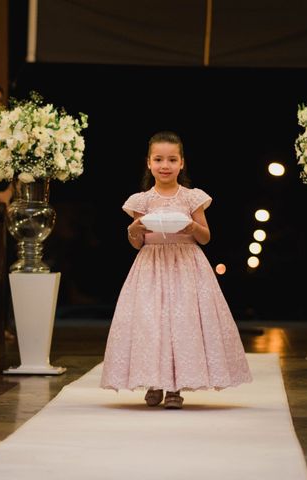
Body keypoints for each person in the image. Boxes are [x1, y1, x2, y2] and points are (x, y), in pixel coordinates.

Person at [100, 131, 252, 409]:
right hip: (151, 266)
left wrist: (192, 226)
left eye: (171, 159)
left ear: (182, 163)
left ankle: (175, 389)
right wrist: (133, 230)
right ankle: (154, 384)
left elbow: (205, 237)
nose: (165, 165)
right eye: (158, 159)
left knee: (182, 325)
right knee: (151, 324)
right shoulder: (141, 200)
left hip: (186, 265)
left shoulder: (192, 198)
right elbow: (137, 243)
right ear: (148, 163)